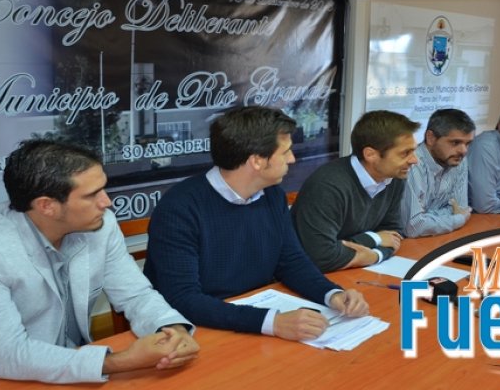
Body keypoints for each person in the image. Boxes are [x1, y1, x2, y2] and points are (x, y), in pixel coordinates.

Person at [0, 140, 199, 390]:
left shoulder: (100, 224)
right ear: (47, 206)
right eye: (92, 194)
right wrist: (120, 361)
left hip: (66, 370)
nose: (106, 202)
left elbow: (135, 295)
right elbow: (7, 355)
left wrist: (171, 330)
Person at [143, 106, 368, 342]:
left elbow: (291, 261)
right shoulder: (180, 208)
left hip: (252, 320)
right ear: (257, 161)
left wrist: (332, 294)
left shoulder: (272, 195)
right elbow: (183, 298)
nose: (292, 159)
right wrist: (272, 322)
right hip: (198, 331)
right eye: (285, 152)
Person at [292, 110, 420, 272]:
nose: (414, 160)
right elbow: (321, 256)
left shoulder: (394, 178)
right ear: (370, 154)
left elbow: (394, 234)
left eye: (413, 151)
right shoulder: (328, 186)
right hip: (311, 274)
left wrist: (377, 254)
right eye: (405, 153)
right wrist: (375, 239)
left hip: (353, 269)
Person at [400, 108, 475, 237]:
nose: (463, 151)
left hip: (438, 239)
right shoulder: (412, 164)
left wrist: (427, 218)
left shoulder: (458, 160)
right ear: (431, 138)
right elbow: (413, 227)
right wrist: (458, 219)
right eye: (455, 142)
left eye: (467, 143)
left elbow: (461, 208)